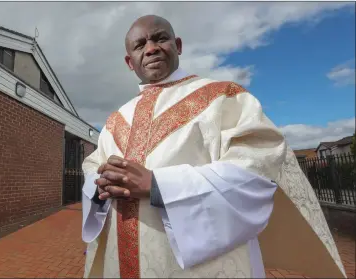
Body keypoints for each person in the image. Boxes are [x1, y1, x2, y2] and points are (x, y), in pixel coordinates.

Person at [81, 15, 346, 278]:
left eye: (160, 38)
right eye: (140, 45)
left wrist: (157, 185)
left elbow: (258, 169)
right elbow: (93, 165)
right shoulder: (116, 120)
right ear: (130, 62)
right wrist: (99, 183)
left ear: (179, 45)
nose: (151, 48)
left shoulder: (224, 97)